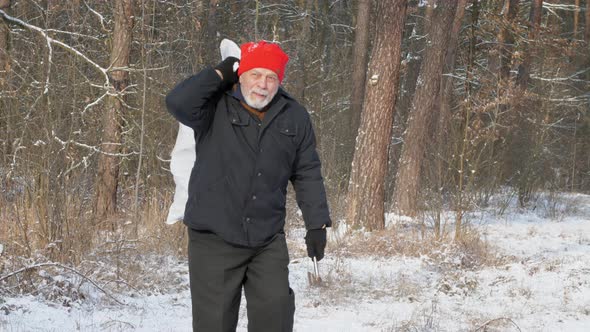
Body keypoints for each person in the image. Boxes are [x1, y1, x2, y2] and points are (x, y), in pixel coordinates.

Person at [165, 40, 332, 332]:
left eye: (271, 77)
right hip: (213, 237)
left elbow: (307, 171)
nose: (263, 85)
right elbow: (177, 103)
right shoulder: (214, 106)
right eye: (255, 74)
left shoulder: (294, 116)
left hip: (266, 239)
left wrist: (316, 224)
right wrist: (217, 74)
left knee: (276, 317)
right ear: (240, 75)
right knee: (213, 325)